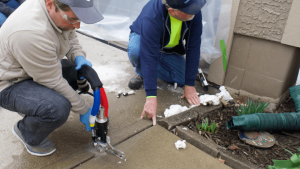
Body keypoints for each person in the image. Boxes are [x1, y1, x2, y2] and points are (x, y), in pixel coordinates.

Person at [0, 0, 103, 156]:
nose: (77, 26)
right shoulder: (31, 32)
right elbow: (52, 81)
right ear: (49, 5)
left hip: (31, 67)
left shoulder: (58, 11)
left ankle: (35, 105)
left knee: (73, 72)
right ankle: (27, 132)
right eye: (72, 19)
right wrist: (84, 108)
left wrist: (78, 56)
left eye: (79, 20)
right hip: (9, 82)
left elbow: (70, 34)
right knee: (57, 108)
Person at [127, 0, 206, 125]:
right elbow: (149, 55)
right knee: (137, 52)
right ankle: (141, 72)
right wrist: (151, 96)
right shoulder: (152, 14)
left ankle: (151, 66)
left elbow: (193, 48)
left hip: (167, 50)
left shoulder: (194, 13)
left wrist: (190, 84)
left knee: (181, 79)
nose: (195, 12)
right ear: (172, 11)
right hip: (144, 39)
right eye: (190, 11)